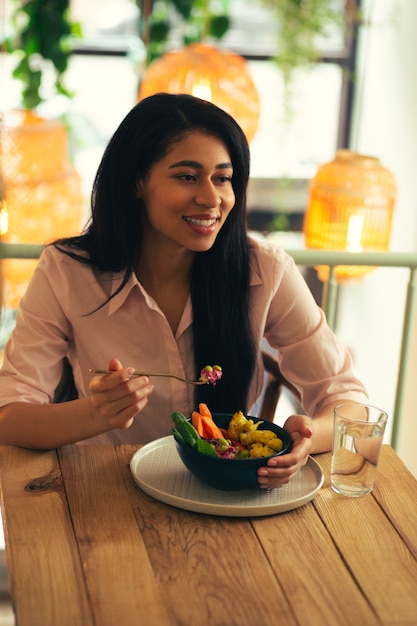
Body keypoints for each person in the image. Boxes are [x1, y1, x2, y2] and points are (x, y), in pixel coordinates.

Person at [0, 93, 368, 488]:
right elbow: (10, 415)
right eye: (187, 177)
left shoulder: (264, 269)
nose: (211, 199)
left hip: (226, 495)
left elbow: (349, 402)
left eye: (222, 178)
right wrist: (97, 413)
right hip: (106, 493)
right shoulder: (66, 271)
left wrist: (307, 436)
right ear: (137, 181)